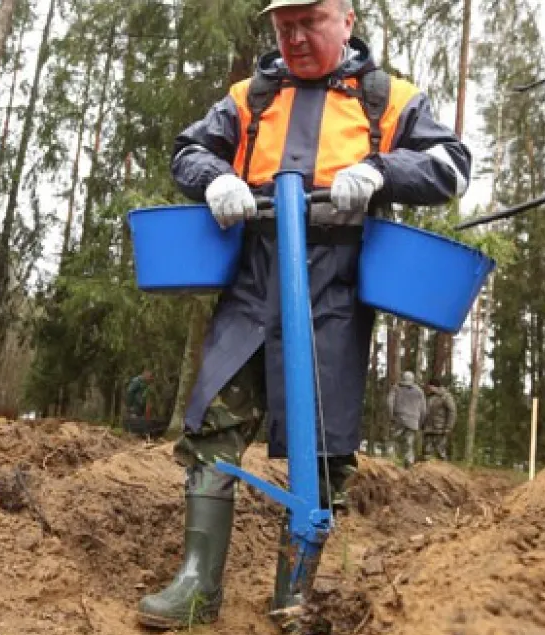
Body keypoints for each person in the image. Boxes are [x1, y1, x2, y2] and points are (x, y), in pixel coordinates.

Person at [135, 0, 471, 629]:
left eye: (308, 21)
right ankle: (196, 586)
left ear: (345, 20)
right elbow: (188, 152)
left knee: (326, 448)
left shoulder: (388, 98)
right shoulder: (249, 98)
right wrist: (214, 179)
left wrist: (379, 171)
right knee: (213, 423)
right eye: (282, 25)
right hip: (254, 274)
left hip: (334, 288)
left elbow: (452, 166)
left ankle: (293, 596)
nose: (293, 36)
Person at [386, 371, 427, 467]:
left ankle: (391, 462)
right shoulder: (419, 391)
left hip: (398, 419)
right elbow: (423, 410)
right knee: (409, 444)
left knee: (393, 440)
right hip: (413, 421)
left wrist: (391, 416)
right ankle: (409, 464)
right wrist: (420, 422)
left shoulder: (396, 388)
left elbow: (389, 403)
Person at [421, 379, 457, 461]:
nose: (428, 389)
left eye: (429, 387)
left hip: (440, 428)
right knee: (426, 452)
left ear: (434, 387)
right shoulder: (428, 397)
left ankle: (445, 470)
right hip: (428, 428)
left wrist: (449, 427)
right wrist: (422, 424)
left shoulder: (446, 396)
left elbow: (452, 412)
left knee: (440, 451)